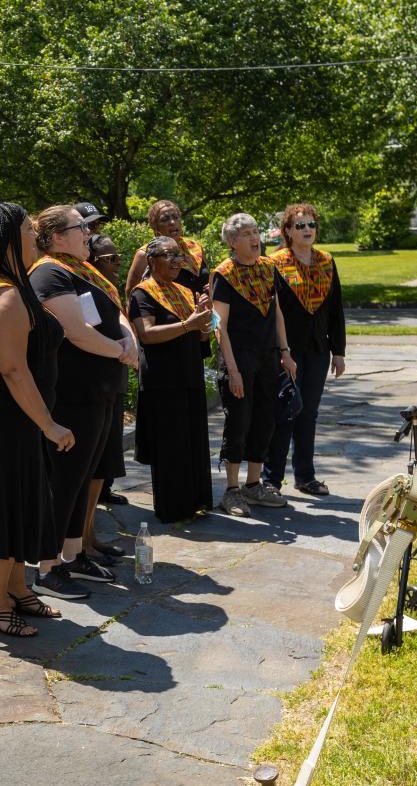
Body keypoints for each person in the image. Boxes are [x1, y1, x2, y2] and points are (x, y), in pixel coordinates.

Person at [0, 203, 75, 636]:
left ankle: (19, 588)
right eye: (29, 229)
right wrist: (49, 424)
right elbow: (12, 370)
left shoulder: (13, 285)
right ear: (10, 240)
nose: (36, 235)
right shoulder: (4, 296)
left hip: (13, 412)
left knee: (25, 500)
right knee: (6, 505)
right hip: (2, 414)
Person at [29, 206, 137, 599]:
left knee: (81, 477)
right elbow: (75, 332)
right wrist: (120, 351)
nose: (88, 234)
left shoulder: (83, 270)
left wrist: (129, 341)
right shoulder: (49, 272)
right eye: (80, 228)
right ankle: (47, 567)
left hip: (100, 392)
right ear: (57, 237)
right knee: (64, 480)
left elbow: (116, 312)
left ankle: (72, 555)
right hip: (72, 394)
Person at [211, 213, 296, 518]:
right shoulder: (224, 274)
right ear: (232, 242)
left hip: (268, 357)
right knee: (239, 423)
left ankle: (254, 485)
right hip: (239, 359)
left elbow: (277, 313)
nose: (254, 238)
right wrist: (232, 370)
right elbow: (219, 326)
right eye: (246, 234)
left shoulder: (268, 268)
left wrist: (285, 351)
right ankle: (231, 491)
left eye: (255, 232)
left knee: (265, 421)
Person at [129, 236, 214, 522]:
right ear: (152, 261)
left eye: (179, 255)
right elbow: (146, 334)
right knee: (171, 445)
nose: (178, 261)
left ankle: (196, 501)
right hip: (163, 382)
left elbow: (201, 336)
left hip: (189, 375)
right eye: (170, 256)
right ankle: (173, 507)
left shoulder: (184, 291)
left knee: (193, 442)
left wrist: (205, 317)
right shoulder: (143, 294)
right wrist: (188, 324)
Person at [263, 204, 346, 496]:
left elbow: (336, 309)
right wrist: (279, 350)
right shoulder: (274, 264)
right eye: (300, 225)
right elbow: (270, 313)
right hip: (286, 350)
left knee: (308, 412)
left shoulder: (326, 262)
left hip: (318, 349)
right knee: (286, 410)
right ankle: (271, 480)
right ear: (287, 231)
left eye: (311, 224)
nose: (307, 229)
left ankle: (305, 476)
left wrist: (338, 351)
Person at [83, 234, 128, 565]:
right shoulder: (79, 283)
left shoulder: (106, 286)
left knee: (101, 467)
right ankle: (77, 543)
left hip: (112, 384)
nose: (117, 264)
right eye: (110, 258)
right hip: (89, 387)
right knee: (86, 470)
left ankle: (89, 536)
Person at [125, 200, 208, 299]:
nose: (172, 222)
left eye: (175, 217)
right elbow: (131, 292)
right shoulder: (146, 254)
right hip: (169, 312)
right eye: (165, 219)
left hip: (206, 310)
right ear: (155, 226)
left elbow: (207, 279)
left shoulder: (196, 247)